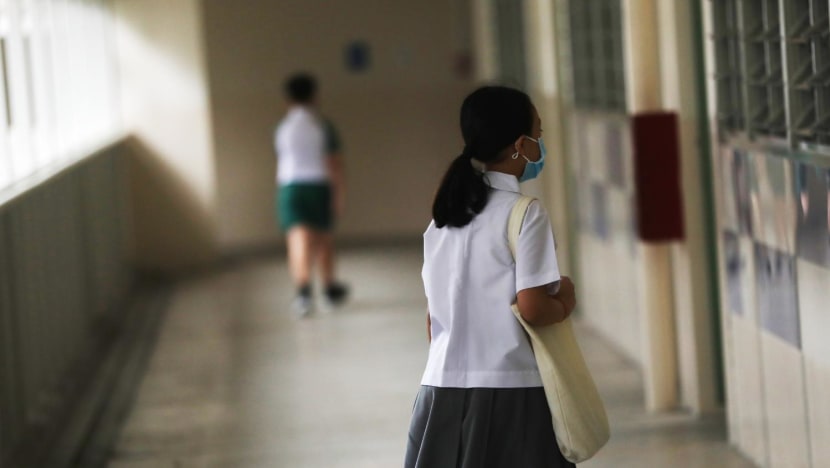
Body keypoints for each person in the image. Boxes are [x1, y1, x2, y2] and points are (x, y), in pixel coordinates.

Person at [405, 86, 578, 467]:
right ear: (520, 144)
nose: (540, 145)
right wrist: (565, 298)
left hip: (439, 389)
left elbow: (433, 322)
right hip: (512, 391)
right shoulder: (524, 213)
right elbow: (532, 308)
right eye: (538, 134)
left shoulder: (443, 218)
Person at [274, 73, 348, 317]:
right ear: (314, 96)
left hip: (290, 187)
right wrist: (338, 194)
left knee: (297, 238)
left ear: (287, 99)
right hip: (318, 186)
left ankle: (303, 292)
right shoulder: (322, 127)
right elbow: (334, 164)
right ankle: (328, 288)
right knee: (323, 239)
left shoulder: (282, 128)